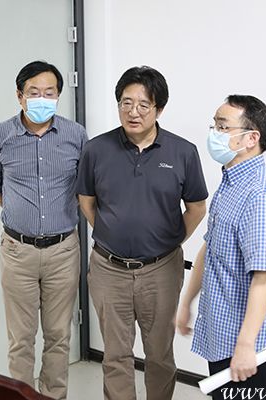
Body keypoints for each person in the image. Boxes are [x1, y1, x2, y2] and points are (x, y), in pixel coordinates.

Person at [76, 66, 208, 400]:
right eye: (126, 103)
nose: (133, 112)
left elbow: (196, 208)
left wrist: (167, 241)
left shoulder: (182, 152)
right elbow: (87, 201)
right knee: (115, 354)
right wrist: (110, 233)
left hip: (161, 270)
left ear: (159, 109)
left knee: (159, 354)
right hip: (108, 269)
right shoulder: (96, 149)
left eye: (143, 105)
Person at [176, 95, 266, 400]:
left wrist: (246, 345)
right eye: (214, 125)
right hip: (222, 331)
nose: (214, 133)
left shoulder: (261, 195)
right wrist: (187, 302)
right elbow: (211, 249)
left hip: (245, 344)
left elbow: (264, 276)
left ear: (251, 138)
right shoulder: (231, 184)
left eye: (223, 127)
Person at [0, 60, 87, 400]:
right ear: (20, 95)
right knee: (21, 339)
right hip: (18, 252)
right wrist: (23, 214)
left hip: (63, 251)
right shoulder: (0, 136)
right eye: (34, 92)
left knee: (59, 336)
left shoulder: (76, 135)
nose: (42, 99)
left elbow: (86, 187)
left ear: (58, 96)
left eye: (49, 93)